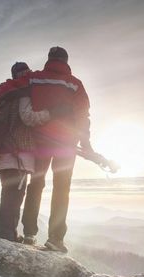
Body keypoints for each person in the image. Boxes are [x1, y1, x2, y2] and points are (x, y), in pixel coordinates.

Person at [21, 46, 93, 252]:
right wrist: (86, 145)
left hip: (39, 142)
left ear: (49, 59)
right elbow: (83, 117)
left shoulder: (34, 79)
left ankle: (28, 234)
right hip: (66, 145)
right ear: (66, 61)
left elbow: (14, 92)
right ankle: (55, 238)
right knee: (61, 189)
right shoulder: (74, 84)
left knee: (35, 185)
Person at [0, 62, 50, 243]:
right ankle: (8, 237)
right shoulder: (23, 93)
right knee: (14, 197)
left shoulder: (3, 95)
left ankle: (7, 235)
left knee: (8, 195)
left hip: (3, 154)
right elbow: (28, 117)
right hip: (19, 156)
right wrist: (49, 114)